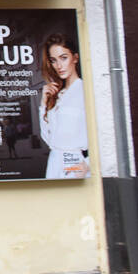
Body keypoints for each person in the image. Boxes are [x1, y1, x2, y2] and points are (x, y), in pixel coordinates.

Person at [40, 34, 88, 179]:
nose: (59, 66)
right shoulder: (57, 95)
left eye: (63, 58)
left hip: (75, 164)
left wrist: (87, 164)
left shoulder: (84, 90)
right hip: (54, 163)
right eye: (53, 60)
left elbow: (101, 134)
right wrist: (43, 104)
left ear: (75, 58)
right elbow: (47, 138)